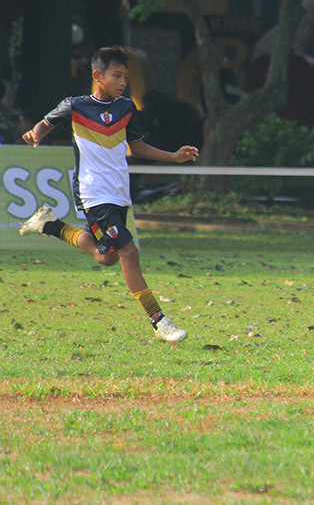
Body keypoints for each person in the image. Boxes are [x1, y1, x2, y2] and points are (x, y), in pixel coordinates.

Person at [19, 46, 199, 343]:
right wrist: (36, 133)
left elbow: (136, 146)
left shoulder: (126, 109)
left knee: (108, 257)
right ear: (97, 76)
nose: (122, 81)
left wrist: (173, 157)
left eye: (125, 76)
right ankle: (160, 322)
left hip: (119, 193)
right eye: (117, 75)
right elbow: (46, 122)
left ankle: (50, 224)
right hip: (93, 194)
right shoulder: (75, 106)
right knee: (130, 252)